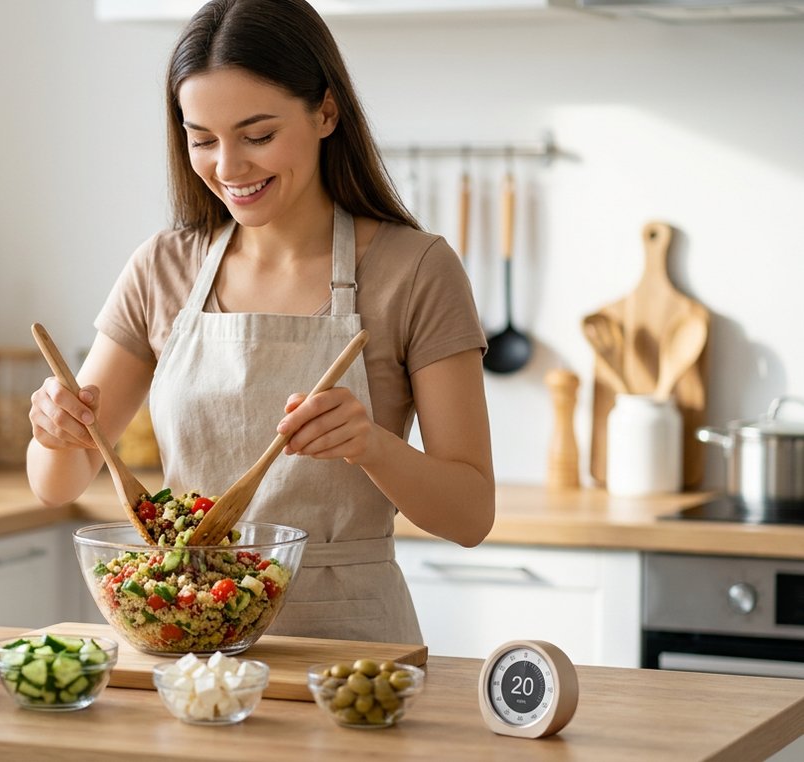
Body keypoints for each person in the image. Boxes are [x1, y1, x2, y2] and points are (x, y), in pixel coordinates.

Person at [27, 0, 494, 644]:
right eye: (202, 140)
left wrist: (370, 446)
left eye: (258, 136)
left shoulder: (416, 270)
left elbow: (471, 515)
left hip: (349, 650)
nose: (228, 168)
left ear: (326, 112)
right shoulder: (163, 267)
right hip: (190, 646)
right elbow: (56, 485)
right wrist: (57, 433)